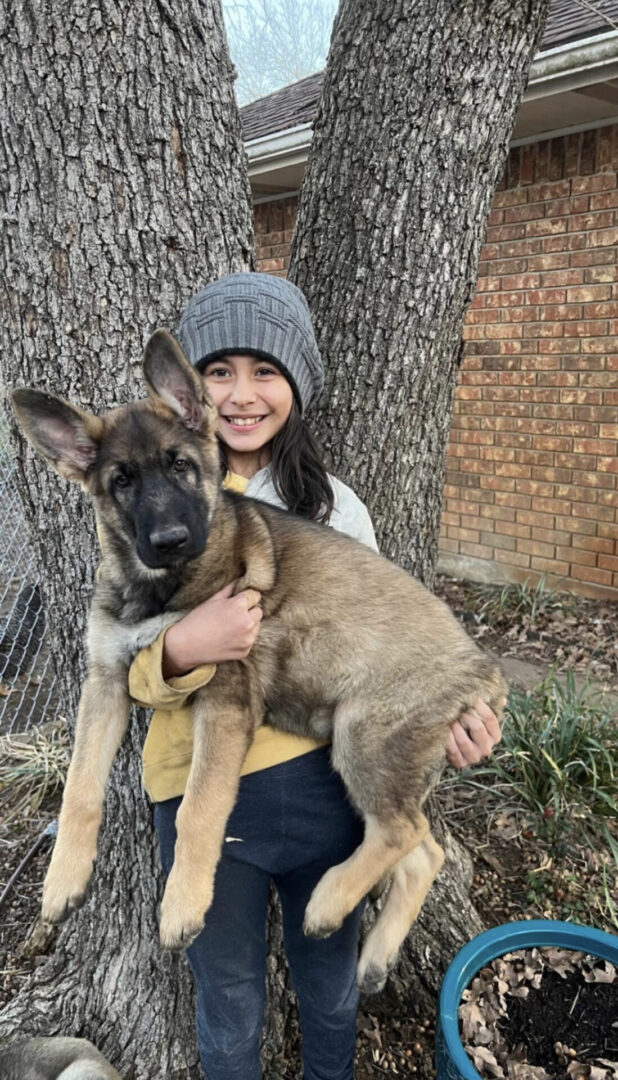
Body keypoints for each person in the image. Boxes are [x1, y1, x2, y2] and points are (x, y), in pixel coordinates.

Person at [128, 273, 503, 1080]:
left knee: (328, 986)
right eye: (216, 372)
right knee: (227, 998)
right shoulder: (159, 503)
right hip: (199, 791)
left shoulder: (337, 512)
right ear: (186, 395)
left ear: (297, 383)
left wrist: (455, 718)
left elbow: (396, 648)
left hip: (320, 784)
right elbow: (130, 676)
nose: (240, 394)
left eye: (264, 370)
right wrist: (186, 645)